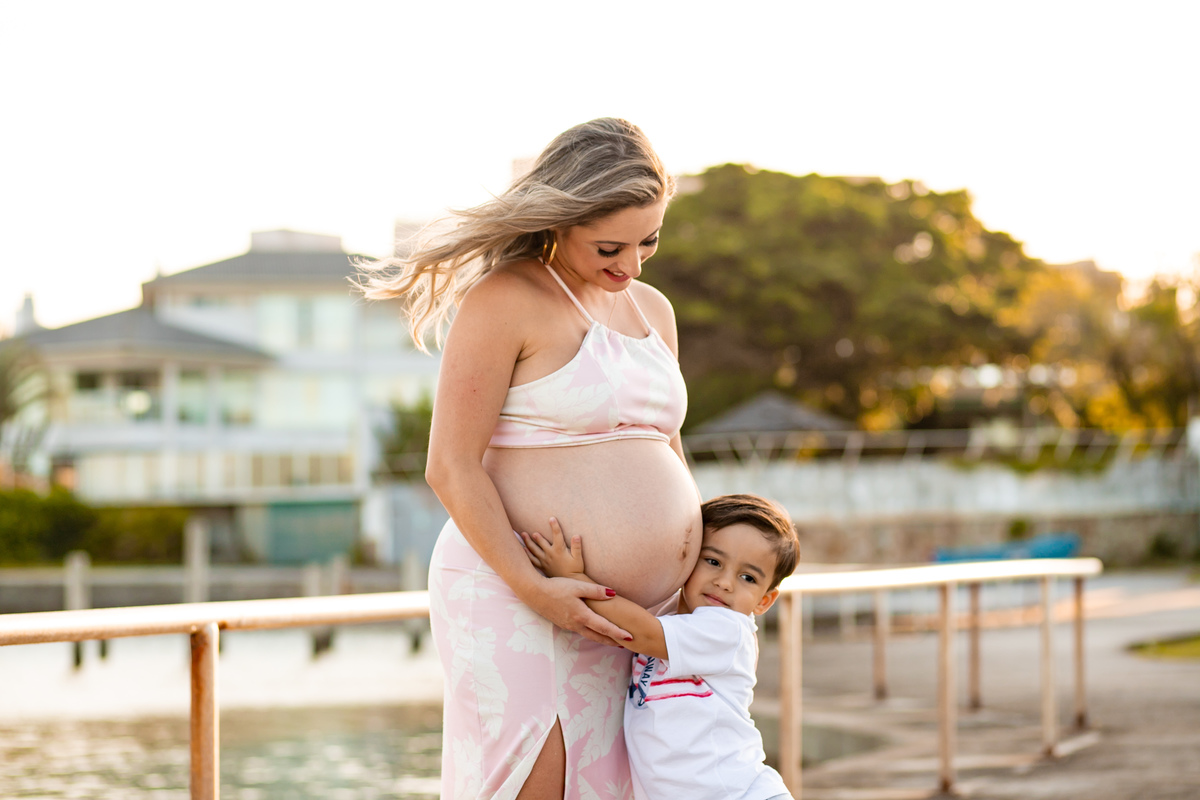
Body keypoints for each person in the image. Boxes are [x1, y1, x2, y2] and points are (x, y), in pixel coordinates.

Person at [358, 118, 702, 799]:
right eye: (611, 246)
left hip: (631, 612)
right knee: (535, 781)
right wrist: (532, 586)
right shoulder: (506, 299)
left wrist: (699, 583)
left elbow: (669, 452)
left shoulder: (653, 310)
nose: (630, 265)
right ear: (563, 217)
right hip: (513, 593)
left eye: (649, 242)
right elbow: (451, 466)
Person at [521, 493, 800, 800]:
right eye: (713, 561)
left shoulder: (727, 631)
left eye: (747, 577)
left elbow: (643, 632)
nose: (725, 582)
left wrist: (574, 578)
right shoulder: (674, 615)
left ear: (764, 601)